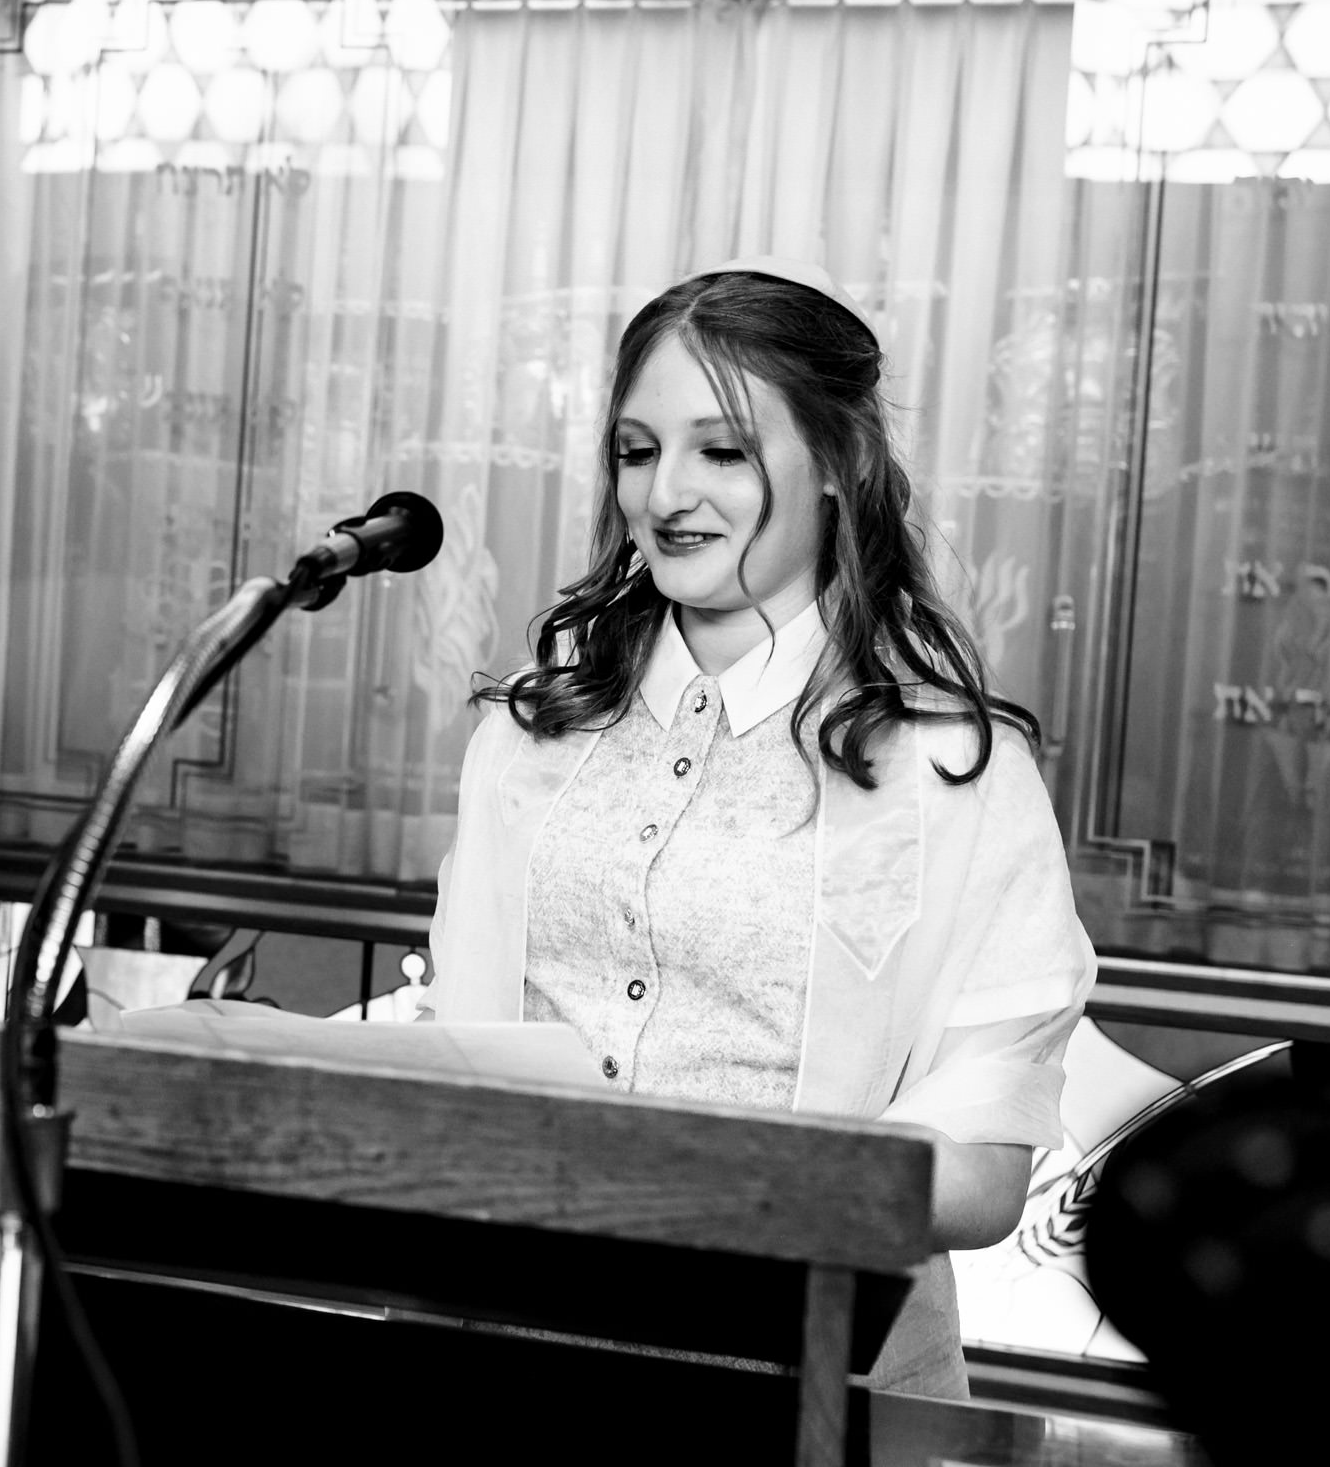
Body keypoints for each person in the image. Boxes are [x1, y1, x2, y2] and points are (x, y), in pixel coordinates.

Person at [421, 258, 1096, 1396]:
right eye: (638, 452)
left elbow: (981, 1176)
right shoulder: (533, 736)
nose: (665, 494)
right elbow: (462, 1063)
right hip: (519, 1347)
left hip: (814, 1383)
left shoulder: (952, 767)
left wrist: (692, 1178)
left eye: (723, 450)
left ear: (836, 465)